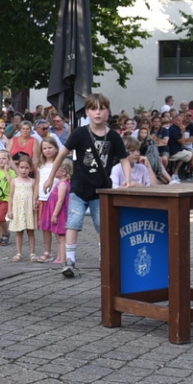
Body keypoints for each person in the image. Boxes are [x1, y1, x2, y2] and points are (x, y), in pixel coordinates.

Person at [55, 93, 124, 278]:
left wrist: (129, 179)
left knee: (103, 225)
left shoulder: (114, 136)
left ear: (108, 112)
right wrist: (50, 177)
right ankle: (69, 260)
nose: (98, 112)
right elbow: (62, 154)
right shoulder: (80, 133)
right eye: (94, 109)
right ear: (87, 112)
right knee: (73, 223)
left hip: (101, 190)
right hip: (79, 188)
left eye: (102, 108)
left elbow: (124, 158)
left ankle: (105, 260)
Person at [35, 141, 69, 263]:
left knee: (56, 227)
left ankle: (61, 253)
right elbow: (37, 182)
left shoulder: (60, 163)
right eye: (44, 148)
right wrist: (36, 197)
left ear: (56, 148)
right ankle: (47, 252)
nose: (47, 150)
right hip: (43, 199)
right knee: (45, 227)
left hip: (54, 201)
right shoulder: (40, 165)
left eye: (50, 147)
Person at [6, 153, 37, 261]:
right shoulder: (14, 181)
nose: (24, 170)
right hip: (18, 210)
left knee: (30, 232)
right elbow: (10, 196)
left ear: (30, 169)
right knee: (19, 232)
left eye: (26, 168)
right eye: (22, 167)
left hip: (28, 210)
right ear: (18, 168)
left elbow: (34, 196)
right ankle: (19, 253)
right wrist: (10, 210)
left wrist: (35, 204)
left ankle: (32, 253)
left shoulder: (32, 182)